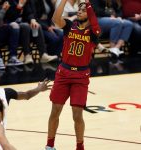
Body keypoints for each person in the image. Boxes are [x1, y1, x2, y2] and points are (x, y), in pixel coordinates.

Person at [44, 0, 101, 150]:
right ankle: (50, 146)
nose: (79, 11)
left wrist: (87, 3)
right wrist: (63, 0)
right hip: (64, 73)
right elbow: (55, 19)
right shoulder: (70, 26)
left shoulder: (93, 33)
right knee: (55, 110)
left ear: (89, 14)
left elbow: (94, 22)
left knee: (77, 115)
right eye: (79, 9)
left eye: (83, 10)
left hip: (81, 77)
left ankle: (79, 147)